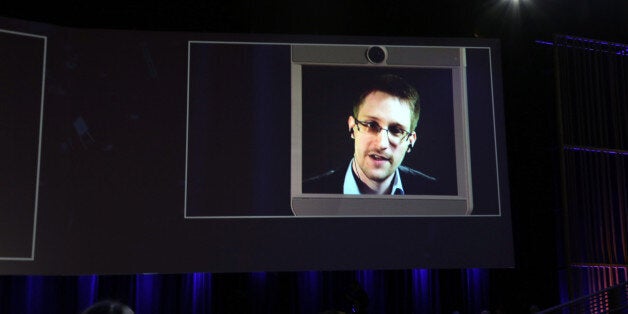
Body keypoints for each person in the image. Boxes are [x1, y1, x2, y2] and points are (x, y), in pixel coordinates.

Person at [303, 73, 435, 195]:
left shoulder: (435, 192)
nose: (382, 144)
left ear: (411, 141)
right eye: (371, 125)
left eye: (396, 130)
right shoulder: (308, 192)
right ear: (352, 127)